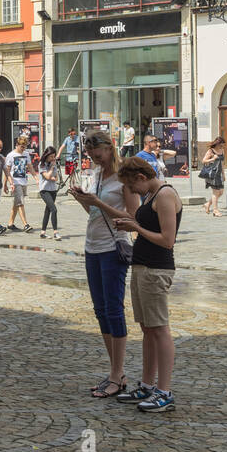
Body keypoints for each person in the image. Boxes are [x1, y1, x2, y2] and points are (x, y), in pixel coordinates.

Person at [68, 132, 139, 401]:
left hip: (114, 248)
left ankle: (118, 374)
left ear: (110, 149)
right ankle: (115, 373)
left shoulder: (124, 178)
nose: (94, 159)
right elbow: (98, 214)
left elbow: (132, 218)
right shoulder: (96, 175)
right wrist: (85, 202)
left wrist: (97, 202)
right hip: (92, 246)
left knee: (113, 309)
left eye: (98, 154)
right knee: (100, 311)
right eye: (90, 155)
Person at [111, 155, 182, 413]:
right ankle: (148, 385)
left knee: (159, 328)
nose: (131, 192)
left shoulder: (164, 195)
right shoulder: (150, 196)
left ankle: (164, 392)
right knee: (147, 328)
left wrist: (136, 228)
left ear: (141, 177)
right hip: (141, 266)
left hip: (156, 268)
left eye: (132, 187)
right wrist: (132, 224)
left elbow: (167, 240)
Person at [3, 134, 33, 232]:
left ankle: (10, 223)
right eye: (22, 147)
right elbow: (6, 171)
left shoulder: (26, 154)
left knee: (17, 203)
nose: (23, 149)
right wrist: (5, 185)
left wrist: (36, 177)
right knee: (20, 202)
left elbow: (30, 166)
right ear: (17, 144)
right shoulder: (11, 155)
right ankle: (26, 224)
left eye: (25, 147)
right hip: (15, 182)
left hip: (24, 181)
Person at [37, 146, 62, 241]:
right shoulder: (41, 164)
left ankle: (43, 232)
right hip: (44, 190)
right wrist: (51, 168)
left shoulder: (54, 164)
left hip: (53, 190)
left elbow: (55, 178)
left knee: (48, 211)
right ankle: (56, 232)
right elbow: (47, 176)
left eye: (54, 156)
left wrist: (52, 174)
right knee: (54, 210)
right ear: (46, 155)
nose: (53, 158)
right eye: (51, 156)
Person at [201, 136, 225, 217]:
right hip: (212, 174)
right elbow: (203, 161)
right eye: (221, 145)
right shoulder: (211, 151)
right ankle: (215, 210)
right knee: (216, 192)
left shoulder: (222, 151)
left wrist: (223, 174)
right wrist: (212, 159)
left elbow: (222, 163)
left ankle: (207, 204)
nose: (222, 146)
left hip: (219, 174)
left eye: (223, 145)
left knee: (221, 192)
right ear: (217, 144)